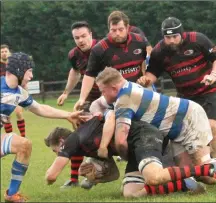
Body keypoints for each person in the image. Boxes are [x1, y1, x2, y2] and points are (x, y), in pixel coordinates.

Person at [93, 67, 216, 189]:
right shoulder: (129, 86)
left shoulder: (124, 100)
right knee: (194, 174)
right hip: (176, 127)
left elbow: (121, 141)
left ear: (114, 87)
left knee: (204, 167)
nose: (102, 95)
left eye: (103, 91)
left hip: (189, 119)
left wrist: (125, 156)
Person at [44, 111, 216, 197]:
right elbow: (115, 174)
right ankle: (183, 182)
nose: (56, 154)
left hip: (144, 137)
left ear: (61, 142)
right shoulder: (86, 146)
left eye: (55, 150)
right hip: (135, 151)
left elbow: (51, 176)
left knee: (155, 177)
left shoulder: (76, 138)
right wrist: (94, 176)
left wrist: (48, 181)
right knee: (131, 194)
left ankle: (207, 168)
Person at [137, 17, 216, 158]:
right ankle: (203, 165)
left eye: (174, 36)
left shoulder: (198, 39)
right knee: (187, 132)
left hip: (207, 91)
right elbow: (152, 73)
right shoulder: (159, 51)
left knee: (212, 127)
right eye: (167, 37)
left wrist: (213, 75)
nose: (171, 40)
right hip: (185, 97)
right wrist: (145, 80)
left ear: (182, 34)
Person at [0, 52, 82, 202]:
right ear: (19, 70)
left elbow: (40, 108)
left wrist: (67, 115)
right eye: (29, 71)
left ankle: (12, 194)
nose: (31, 76)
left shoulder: (19, 93)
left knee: (24, 145)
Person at [55, 20, 101, 189]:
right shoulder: (74, 55)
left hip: (112, 98)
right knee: (79, 132)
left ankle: (98, 173)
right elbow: (75, 72)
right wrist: (66, 92)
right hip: (90, 99)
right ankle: (75, 178)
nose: (81, 40)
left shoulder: (104, 48)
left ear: (91, 35)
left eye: (83, 36)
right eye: (77, 38)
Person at [73, 11, 149, 112]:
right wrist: (82, 98)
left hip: (139, 94)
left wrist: (145, 76)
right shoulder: (99, 49)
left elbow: (146, 60)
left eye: (120, 29)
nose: (117, 33)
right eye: (113, 30)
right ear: (109, 29)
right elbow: (89, 75)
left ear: (127, 28)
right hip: (115, 100)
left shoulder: (140, 41)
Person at [1, 44, 26, 137]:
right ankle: (10, 137)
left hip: (16, 92)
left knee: (19, 113)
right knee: (6, 116)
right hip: (3, 94)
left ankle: (23, 136)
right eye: (2, 52)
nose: (4, 53)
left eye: (5, 51)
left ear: (9, 53)